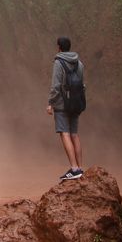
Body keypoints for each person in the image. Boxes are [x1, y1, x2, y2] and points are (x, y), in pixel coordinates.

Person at [46, 36, 85, 181]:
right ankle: (80, 168)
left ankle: (74, 168)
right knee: (74, 133)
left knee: (64, 133)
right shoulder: (79, 63)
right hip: (76, 103)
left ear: (59, 47)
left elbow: (56, 86)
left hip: (62, 104)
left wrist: (51, 103)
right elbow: (82, 85)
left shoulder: (59, 62)